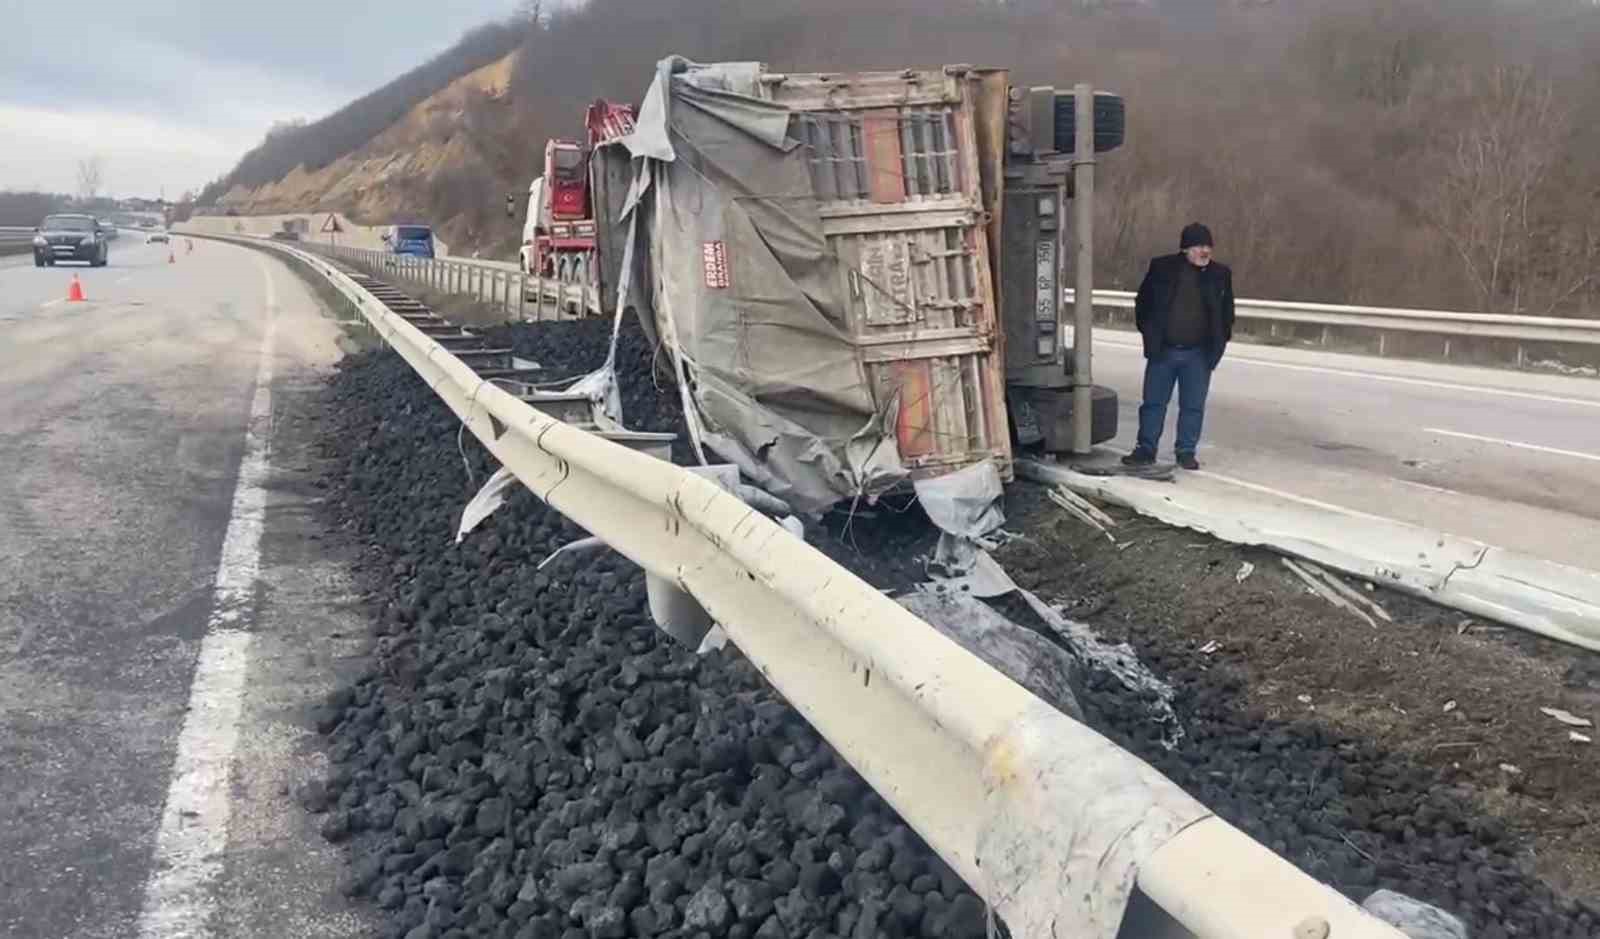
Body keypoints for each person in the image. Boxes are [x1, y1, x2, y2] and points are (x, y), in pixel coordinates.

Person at [1121, 222, 1234, 470]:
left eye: (1208, 246)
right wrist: (1150, 335)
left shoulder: (1220, 274)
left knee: (1193, 406)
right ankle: (1146, 449)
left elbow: (1227, 314)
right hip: (1164, 351)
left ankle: (1185, 451)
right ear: (1185, 249)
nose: (1205, 251)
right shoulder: (1162, 268)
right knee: (1153, 403)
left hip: (1199, 355)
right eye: (1198, 246)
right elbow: (1143, 303)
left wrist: (1218, 345)